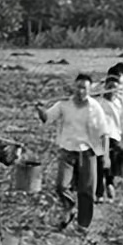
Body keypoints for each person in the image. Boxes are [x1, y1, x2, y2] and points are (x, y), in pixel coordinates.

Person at [34, 74, 110, 232]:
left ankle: (83, 225)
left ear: (89, 90)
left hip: (87, 152)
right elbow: (47, 118)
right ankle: (69, 206)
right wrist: (40, 109)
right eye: (78, 87)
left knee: (86, 191)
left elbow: (104, 132)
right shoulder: (64, 104)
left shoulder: (94, 107)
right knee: (61, 186)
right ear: (74, 87)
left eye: (84, 88)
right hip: (67, 151)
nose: (81, 91)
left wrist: (106, 155)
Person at [97, 75, 123, 202]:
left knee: (110, 161)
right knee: (101, 162)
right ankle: (100, 192)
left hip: (114, 136)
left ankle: (109, 183)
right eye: (109, 87)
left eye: (114, 88)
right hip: (100, 136)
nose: (112, 90)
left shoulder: (120, 103)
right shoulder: (99, 103)